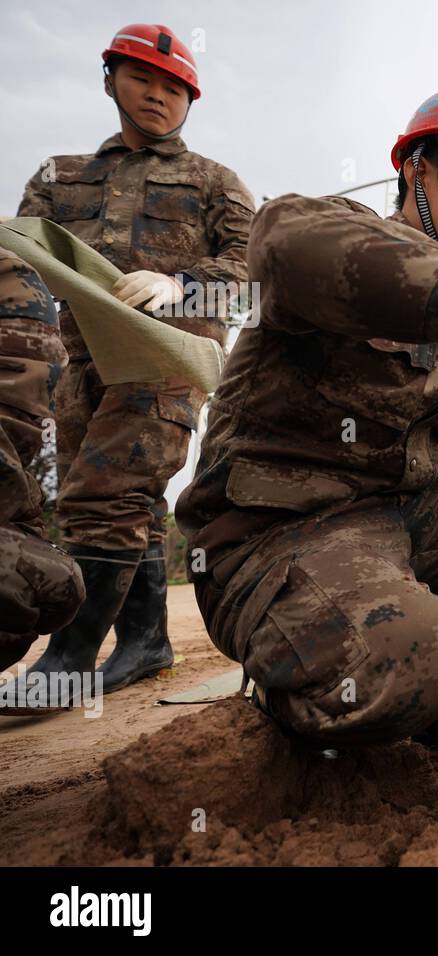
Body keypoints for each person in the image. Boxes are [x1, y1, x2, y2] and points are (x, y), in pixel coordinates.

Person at [176, 86, 438, 756]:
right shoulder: (342, 248)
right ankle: (314, 675)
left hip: (408, 524)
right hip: (274, 541)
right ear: (418, 170)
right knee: (414, 656)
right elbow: (280, 241)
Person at [15, 23, 254, 695]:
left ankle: (66, 663)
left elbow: (247, 266)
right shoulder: (59, 178)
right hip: (77, 360)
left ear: (190, 99)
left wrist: (184, 285)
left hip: (169, 354)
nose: (157, 95)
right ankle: (145, 643)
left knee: (105, 490)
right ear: (110, 81)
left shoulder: (215, 183)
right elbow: (22, 260)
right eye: (143, 78)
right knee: (132, 502)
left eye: (174, 87)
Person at [0, 250, 84, 674]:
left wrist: (183, 284)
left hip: (129, 350)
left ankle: (140, 644)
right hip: (81, 342)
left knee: (43, 577)